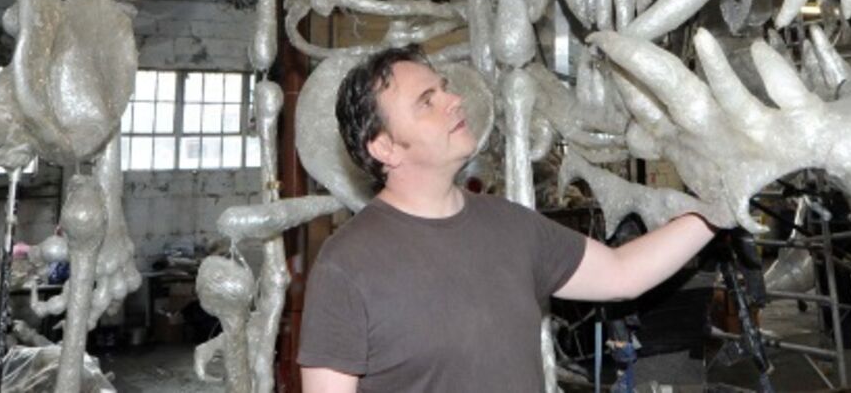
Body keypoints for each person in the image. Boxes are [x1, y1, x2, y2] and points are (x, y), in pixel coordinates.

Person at [298, 46, 718, 392]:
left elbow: (621, 273)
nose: (454, 100)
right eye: (427, 101)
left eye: (444, 88)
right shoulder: (347, 265)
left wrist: (718, 211)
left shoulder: (511, 225)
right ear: (385, 148)